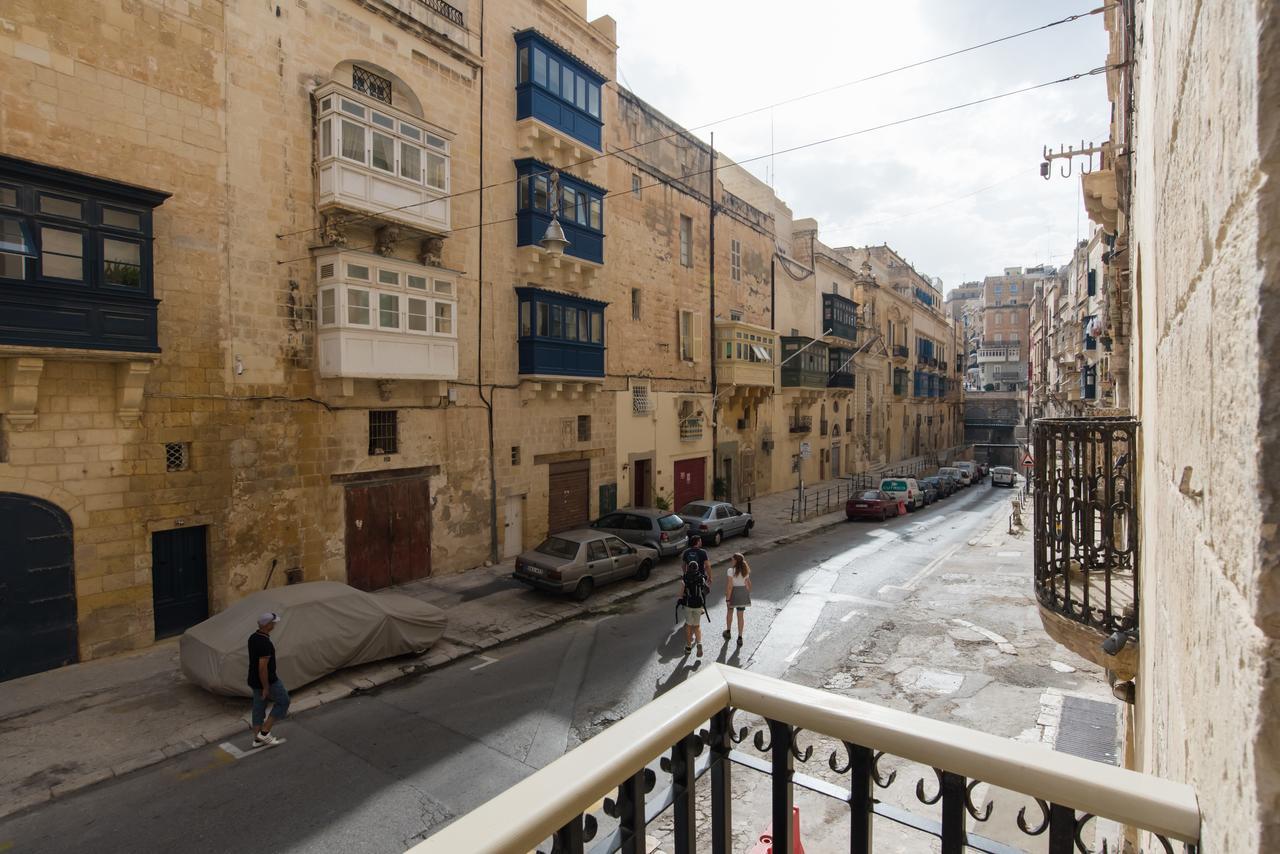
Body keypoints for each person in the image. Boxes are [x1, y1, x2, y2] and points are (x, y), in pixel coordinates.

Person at [247, 611, 289, 748]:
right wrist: (266, 687)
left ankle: (257, 740)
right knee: (283, 701)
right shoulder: (265, 643)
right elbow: (262, 668)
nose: (275, 624)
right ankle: (264, 733)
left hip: (253, 679)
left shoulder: (253, 637)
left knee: (258, 707)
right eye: (273, 622)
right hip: (268, 680)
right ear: (268, 624)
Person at [680, 558, 710, 657]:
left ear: (688, 568)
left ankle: (688, 647)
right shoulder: (701, 577)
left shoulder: (685, 578)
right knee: (697, 626)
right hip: (698, 605)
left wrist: (681, 597)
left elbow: (681, 593)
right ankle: (699, 643)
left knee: (688, 626)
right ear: (697, 568)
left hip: (688, 605)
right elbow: (706, 590)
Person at [722, 553, 752, 645]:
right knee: (740, 616)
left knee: (730, 612)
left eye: (732, 559)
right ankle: (740, 637)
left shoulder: (730, 571)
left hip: (733, 593)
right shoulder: (745, 570)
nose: (731, 561)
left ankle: (728, 631)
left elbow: (730, 586)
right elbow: (749, 586)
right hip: (742, 593)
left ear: (735, 560)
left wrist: (727, 598)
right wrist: (745, 593)